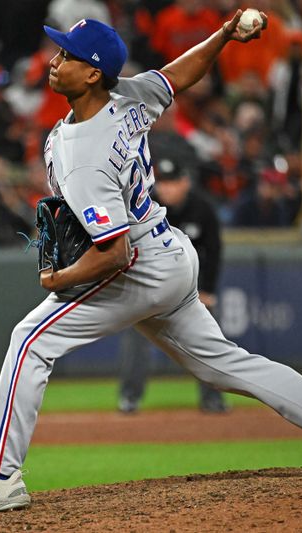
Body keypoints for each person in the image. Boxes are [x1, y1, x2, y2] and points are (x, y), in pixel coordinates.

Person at [0, 14, 302, 517]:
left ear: (94, 73)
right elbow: (181, 74)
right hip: (172, 252)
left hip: (137, 263)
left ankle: (0, 478)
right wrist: (225, 34)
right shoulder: (131, 98)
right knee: (228, 366)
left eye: (67, 57)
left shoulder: (85, 155)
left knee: (30, 340)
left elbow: (112, 253)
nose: (54, 63)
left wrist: (59, 278)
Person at [118, 157, 226, 414]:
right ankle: (129, 397)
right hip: (151, 289)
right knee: (136, 343)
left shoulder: (202, 209)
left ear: (185, 182)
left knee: (210, 344)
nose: (167, 189)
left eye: (173, 182)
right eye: (163, 183)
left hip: (192, 292)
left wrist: (208, 290)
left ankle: (213, 398)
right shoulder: (145, 209)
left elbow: (214, 251)